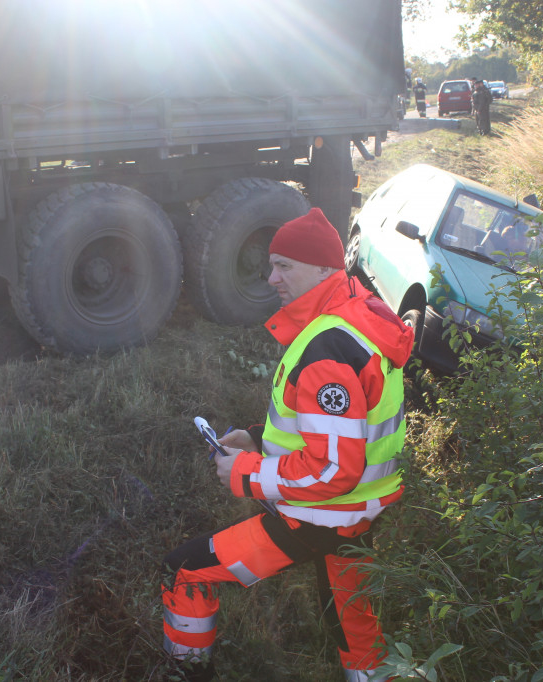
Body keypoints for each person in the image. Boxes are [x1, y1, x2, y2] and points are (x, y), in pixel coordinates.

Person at [161, 208, 414, 682]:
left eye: (284, 265)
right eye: (272, 264)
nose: (271, 276)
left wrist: (245, 472)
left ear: (324, 269)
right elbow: (338, 426)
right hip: (356, 513)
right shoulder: (355, 314)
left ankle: (186, 671)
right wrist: (257, 437)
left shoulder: (326, 347)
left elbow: (333, 468)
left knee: (185, 571)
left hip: (321, 515)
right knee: (353, 623)